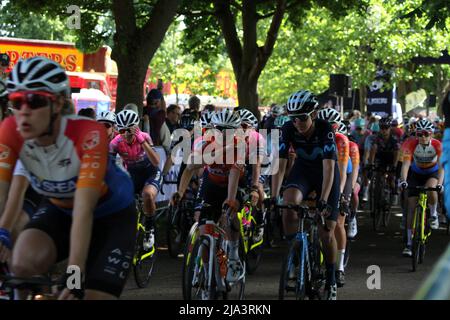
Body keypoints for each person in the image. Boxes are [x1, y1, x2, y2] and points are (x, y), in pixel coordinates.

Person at [0, 57, 136, 300]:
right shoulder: (12, 131)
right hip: (60, 209)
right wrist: (2, 233)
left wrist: (74, 276)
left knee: (93, 295)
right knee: (21, 266)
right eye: (17, 101)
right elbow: (7, 194)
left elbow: (84, 213)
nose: (24, 111)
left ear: (59, 104)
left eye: (36, 100)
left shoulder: (86, 134)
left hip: (111, 215)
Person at [271, 90, 340, 300]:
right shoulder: (287, 128)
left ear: (314, 114)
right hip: (302, 170)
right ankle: (296, 252)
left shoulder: (325, 129)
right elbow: (280, 165)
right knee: (288, 207)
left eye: (302, 118)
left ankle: (331, 278)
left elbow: (329, 169)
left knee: (326, 232)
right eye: (293, 118)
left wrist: (323, 200)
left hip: (325, 174)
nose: (297, 123)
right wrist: (274, 197)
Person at [172, 108, 245, 283]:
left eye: (228, 130)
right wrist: (180, 192)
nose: (223, 134)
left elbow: (234, 177)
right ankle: (206, 274)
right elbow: (190, 168)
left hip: (233, 184)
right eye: (219, 129)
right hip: (211, 184)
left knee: (230, 214)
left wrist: (229, 200)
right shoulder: (203, 142)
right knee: (205, 230)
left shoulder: (239, 147)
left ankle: (234, 254)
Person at [110, 110, 161, 251]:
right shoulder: (115, 143)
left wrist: (142, 141)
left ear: (136, 128)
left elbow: (156, 161)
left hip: (151, 172)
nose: (126, 134)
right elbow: (109, 167)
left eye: (130, 130)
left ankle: (150, 229)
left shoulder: (144, 137)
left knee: (147, 195)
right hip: (133, 175)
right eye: (122, 130)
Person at [399, 118, 444, 257]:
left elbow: (442, 168)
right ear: (416, 134)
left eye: (426, 134)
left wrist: (440, 184)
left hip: (433, 173)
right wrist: (403, 181)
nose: (423, 137)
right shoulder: (410, 144)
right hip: (416, 174)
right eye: (420, 134)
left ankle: (434, 214)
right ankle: (408, 243)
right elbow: (405, 165)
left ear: (431, 134)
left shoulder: (438, 145)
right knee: (411, 207)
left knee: (431, 188)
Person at [316, 108, 349, 288]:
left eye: (333, 126)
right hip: (320, 175)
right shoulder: (313, 136)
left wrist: (341, 195)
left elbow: (342, 173)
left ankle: (340, 267)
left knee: (338, 221)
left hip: (341, 174)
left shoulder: (341, 140)